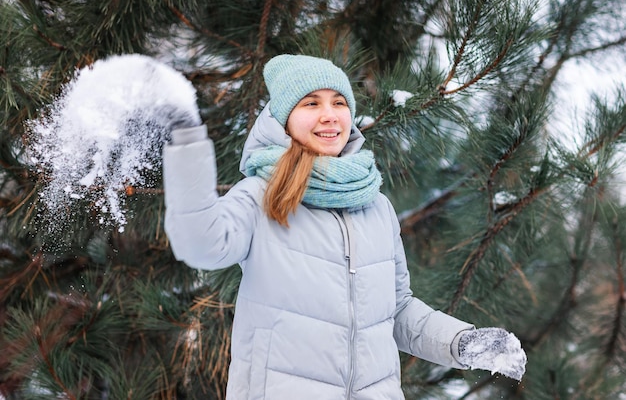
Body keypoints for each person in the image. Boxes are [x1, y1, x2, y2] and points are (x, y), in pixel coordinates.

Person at [162, 54, 527, 399]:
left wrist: (462, 342)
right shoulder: (262, 195)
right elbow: (201, 245)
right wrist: (187, 146)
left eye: (339, 103)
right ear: (283, 119)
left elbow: (396, 309)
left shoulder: (375, 206)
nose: (329, 115)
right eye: (311, 103)